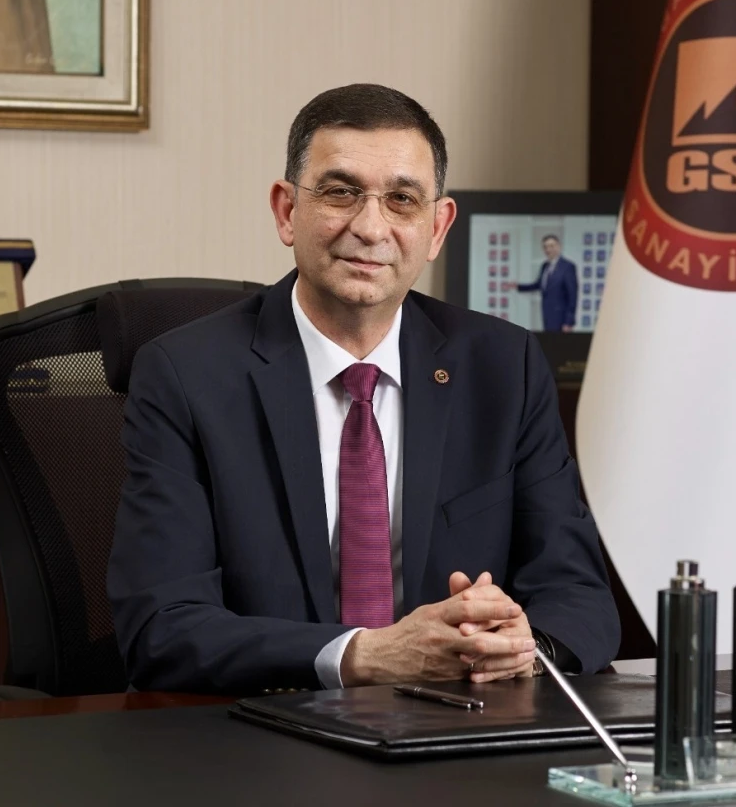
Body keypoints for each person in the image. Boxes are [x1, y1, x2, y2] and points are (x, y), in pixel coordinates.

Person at [108, 84, 620, 695]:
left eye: (402, 200)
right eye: (340, 192)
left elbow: (579, 595)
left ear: (437, 227)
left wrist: (516, 652)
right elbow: (161, 628)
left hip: (454, 727)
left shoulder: (505, 367)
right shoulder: (185, 375)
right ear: (286, 211)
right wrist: (367, 656)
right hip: (261, 730)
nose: (371, 227)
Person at [517, 235, 579, 332]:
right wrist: (518, 286)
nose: (548, 249)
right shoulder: (545, 266)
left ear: (559, 246)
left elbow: (572, 296)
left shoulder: (568, 267)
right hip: (547, 314)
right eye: (545, 247)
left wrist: (569, 322)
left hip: (561, 319)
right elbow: (539, 285)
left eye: (551, 246)